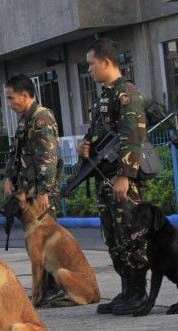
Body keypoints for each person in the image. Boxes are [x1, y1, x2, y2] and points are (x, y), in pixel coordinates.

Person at [80, 37, 149, 315]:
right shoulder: (105, 96)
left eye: (91, 64)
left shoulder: (126, 93)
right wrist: (86, 145)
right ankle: (126, 291)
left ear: (106, 62)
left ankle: (138, 293)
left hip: (121, 181)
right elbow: (101, 134)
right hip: (104, 178)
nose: (89, 70)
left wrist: (125, 175)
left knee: (131, 236)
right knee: (113, 237)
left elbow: (134, 136)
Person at [3, 73, 63, 304]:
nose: (9, 104)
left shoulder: (42, 118)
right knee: (34, 243)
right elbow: (15, 153)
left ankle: (54, 287)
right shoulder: (24, 119)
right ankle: (44, 289)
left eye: (11, 98)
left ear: (25, 96)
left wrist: (44, 191)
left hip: (39, 193)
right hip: (26, 192)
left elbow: (47, 157)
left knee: (47, 241)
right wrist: (9, 177)